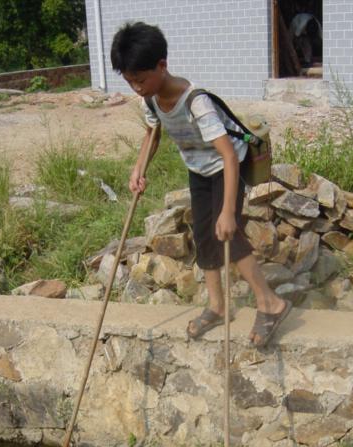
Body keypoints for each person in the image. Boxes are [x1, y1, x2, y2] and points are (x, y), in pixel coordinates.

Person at [110, 22, 291, 346]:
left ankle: (271, 304)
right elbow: (152, 134)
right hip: (198, 170)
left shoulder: (196, 103)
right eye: (130, 81)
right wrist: (139, 168)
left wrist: (226, 212)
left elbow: (230, 158)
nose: (136, 87)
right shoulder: (150, 100)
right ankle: (217, 307)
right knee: (204, 237)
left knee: (228, 233)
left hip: (225, 168)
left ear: (162, 65)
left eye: (140, 79)